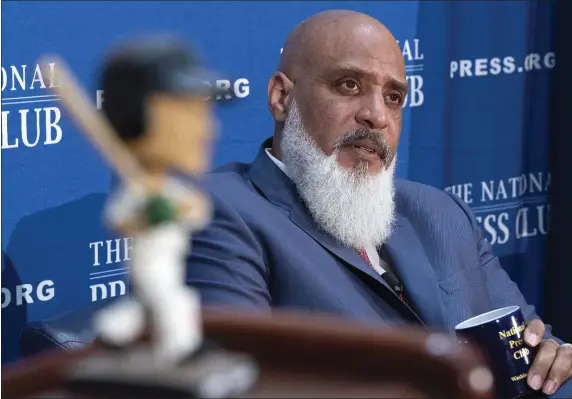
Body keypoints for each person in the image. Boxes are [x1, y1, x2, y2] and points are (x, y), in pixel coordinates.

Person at [185, 10, 572, 396]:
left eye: (393, 97)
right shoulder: (216, 212)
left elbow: (537, 356)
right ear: (282, 98)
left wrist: (553, 362)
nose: (376, 116)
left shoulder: (441, 214)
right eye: (349, 85)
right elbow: (241, 387)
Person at [92, 35, 216, 367]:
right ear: (138, 118)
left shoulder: (166, 190)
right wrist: (148, 216)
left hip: (170, 260)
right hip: (149, 263)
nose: (209, 129)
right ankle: (181, 351)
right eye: (189, 112)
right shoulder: (136, 193)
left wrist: (175, 209)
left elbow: (197, 212)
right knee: (176, 301)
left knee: (143, 309)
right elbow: (119, 221)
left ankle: (112, 332)